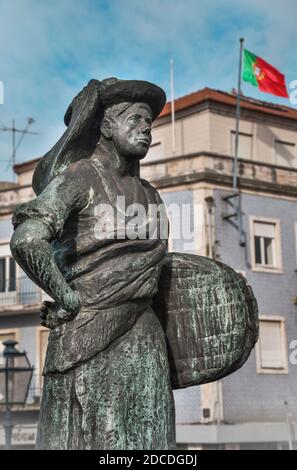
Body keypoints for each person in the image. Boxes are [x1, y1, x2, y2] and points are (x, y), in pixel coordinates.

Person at [10, 78, 176, 450]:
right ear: (105, 125)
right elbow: (26, 240)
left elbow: (164, 275)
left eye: (149, 122)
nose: (146, 128)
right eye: (135, 119)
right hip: (86, 336)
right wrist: (65, 297)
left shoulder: (152, 195)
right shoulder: (80, 176)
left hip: (145, 338)